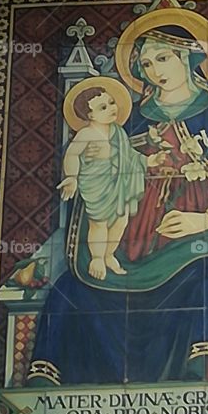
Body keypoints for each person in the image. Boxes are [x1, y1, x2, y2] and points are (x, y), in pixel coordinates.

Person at [27, 9, 208, 388]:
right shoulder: (129, 122)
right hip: (134, 251)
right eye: (146, 63)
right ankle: (47, 403)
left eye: (162, 58)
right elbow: (99, 190)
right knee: (69, 291)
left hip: (202, 246)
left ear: (188, 57)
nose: (154, 71)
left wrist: (205, 220)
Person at [58, 83, 145, 280]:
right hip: (96, 186)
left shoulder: (118, 132)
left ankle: (108, 254)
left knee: (120, 221)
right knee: (99, 224)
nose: (111, 108)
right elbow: (71, 155)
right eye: (102, 107)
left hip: (118, 185)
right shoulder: (86, 134)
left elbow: (129, 155)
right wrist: (71, 177)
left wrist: (149, 161)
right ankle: (96, 258)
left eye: (111, 102)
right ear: (90, 116)